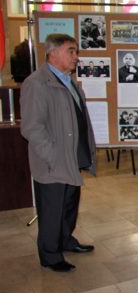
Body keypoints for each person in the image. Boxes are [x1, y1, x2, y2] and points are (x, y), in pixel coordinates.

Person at [20, 34, 97, 272]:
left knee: (69, 206)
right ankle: (50, 255)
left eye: (76, 51)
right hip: (52, 162)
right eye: (71, 51)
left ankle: (65, 240)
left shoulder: (67, 80)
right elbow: (31, 127)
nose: (76, 57)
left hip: (71, 158)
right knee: (52, 210)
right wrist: (52, 155)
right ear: (53, 53)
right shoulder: (37, 83)